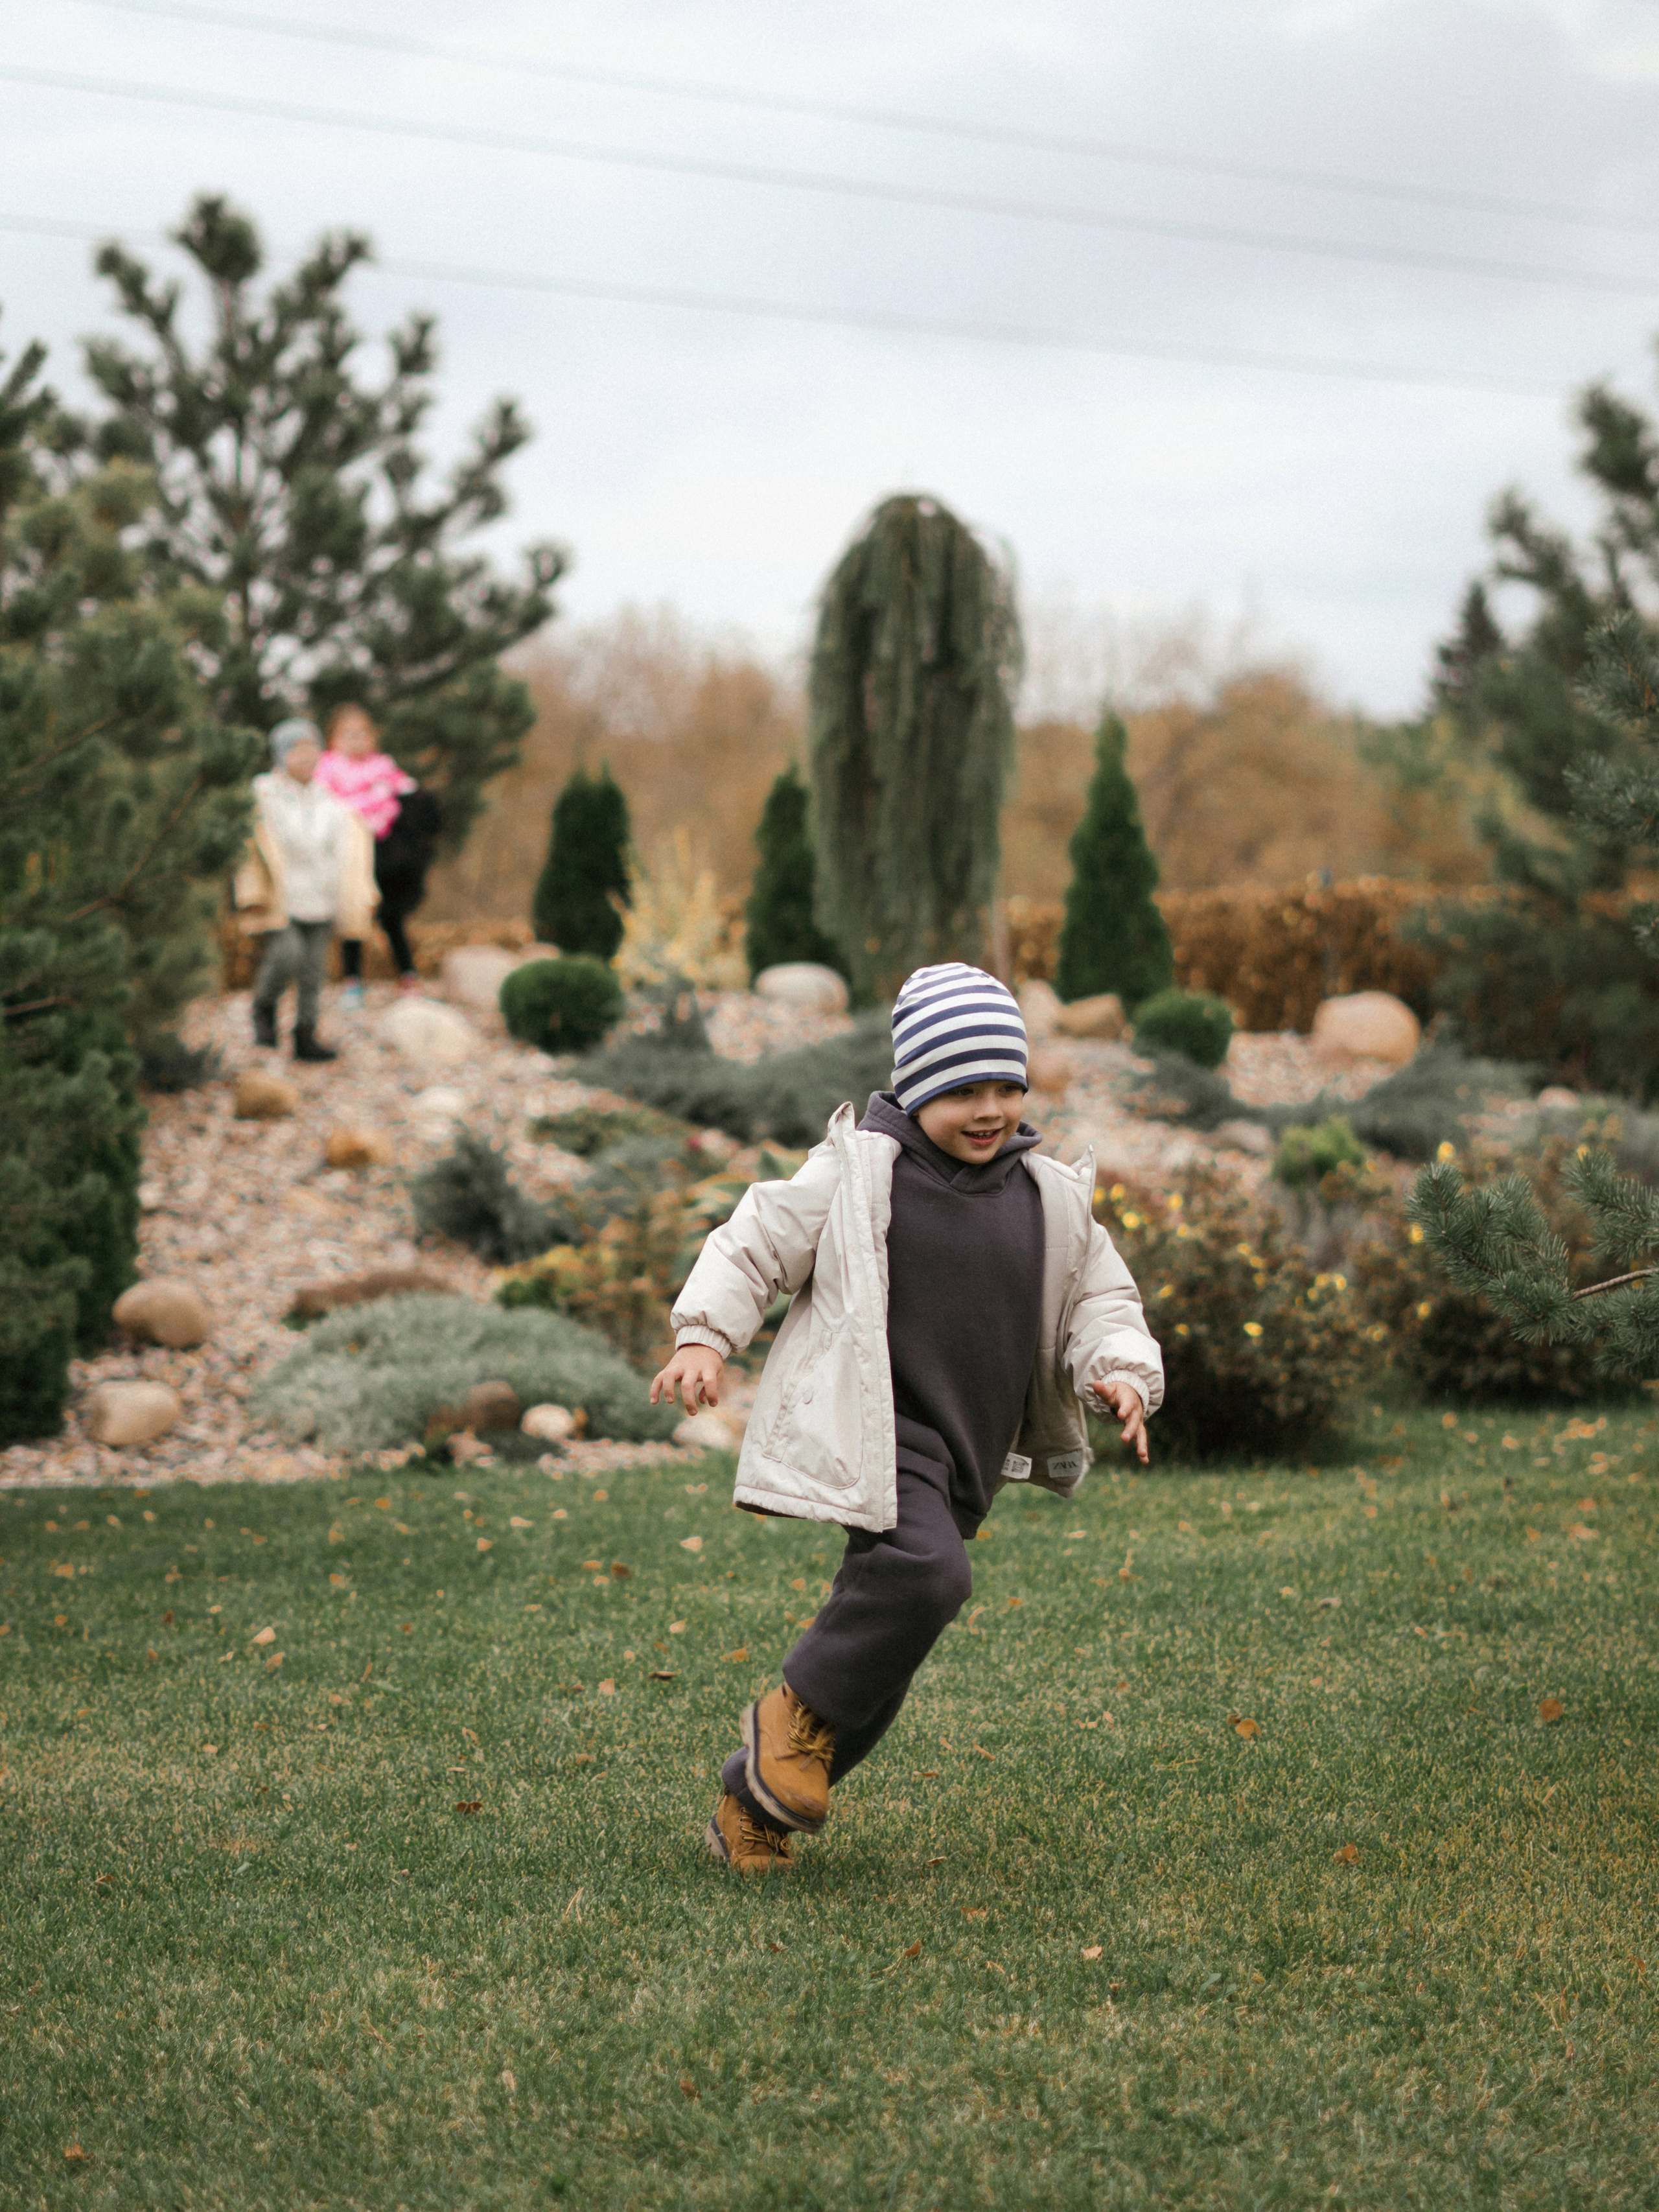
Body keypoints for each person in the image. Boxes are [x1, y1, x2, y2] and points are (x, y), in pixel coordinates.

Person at [652, 961, 1165, 1873]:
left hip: (969, 1447)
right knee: (929, 1575)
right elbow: (758, 1238)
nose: (990, 1109)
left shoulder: (1047, 1196)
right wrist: (704, 1334)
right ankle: (788, 1716)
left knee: (886, 1656)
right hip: (880, 1427)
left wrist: (1119, 1369)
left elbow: (1101, 1299)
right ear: (917, 1087)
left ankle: (753, 1805)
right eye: (963, 1090)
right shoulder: (860, 1172)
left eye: (1007, 1086)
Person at [234, 717, 377, 1062]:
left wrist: (356, 896)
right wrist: (250, 893)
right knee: (286, 955)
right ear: (282, 755)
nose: (306, 756)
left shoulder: (330, 802)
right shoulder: (263, 796)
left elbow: (347, 853)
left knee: (314, 971)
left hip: (322, 897)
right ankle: (264, 1008)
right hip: (282, 897)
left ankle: (306, 1034)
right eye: (297, 749)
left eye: (312, 747)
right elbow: (251, 852)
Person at [316, 703, 439, 1002]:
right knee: (354, 916)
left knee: (393, 917)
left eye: (363, 733)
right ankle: (352, 980)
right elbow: (324, 809)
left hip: (387, 856)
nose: (357, 740)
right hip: (349, 855)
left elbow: (411, 797)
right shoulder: (327, 771)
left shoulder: (385, 769)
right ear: (333, 740)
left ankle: (408, 974)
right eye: (348, 734)